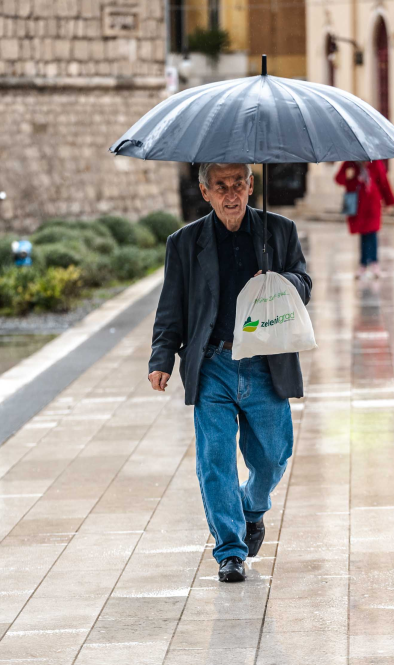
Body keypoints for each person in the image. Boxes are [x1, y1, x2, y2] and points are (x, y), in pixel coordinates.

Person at [148, 163, 313, 582]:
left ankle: (252, 507)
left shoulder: (279, 231)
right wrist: (161, 357)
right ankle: (230, 550)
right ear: (205, 192)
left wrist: (281, 281)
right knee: (215, 459)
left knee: (274, 456)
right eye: (220, 187)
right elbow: (171, 306)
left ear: (251, 184)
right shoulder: (184, 243)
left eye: (238, 184)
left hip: (265, 363)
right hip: (213, 365)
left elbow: (305, 282)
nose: (231, 194)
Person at [334, 160, 394, 278]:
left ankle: (373, 263)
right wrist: (347, 175)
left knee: (372, 233)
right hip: (358, 205)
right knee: (363, 234)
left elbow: (383, 182)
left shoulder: (376, 163)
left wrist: (389, 202)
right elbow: (338, 179)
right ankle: (363, 264)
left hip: (372, 204)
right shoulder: (350, 163)